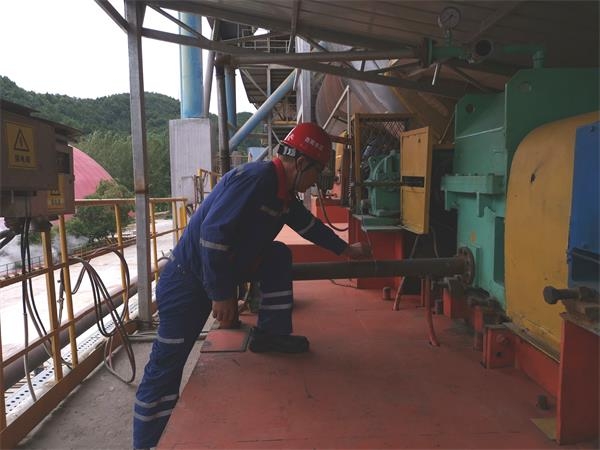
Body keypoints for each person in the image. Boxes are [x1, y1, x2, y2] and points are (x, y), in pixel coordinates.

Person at [132, 122, 371, 449]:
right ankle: (146, 442)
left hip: (221, 269)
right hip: (187, 282)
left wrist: (345, 250)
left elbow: (308, 226)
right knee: (167, 364)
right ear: (302, 163)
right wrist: (222, 295)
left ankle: (271, 334)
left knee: (277, 255)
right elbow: (212, 238)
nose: (317, 182)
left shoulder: (282, 193)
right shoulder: (256, 180)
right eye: (318, 173)